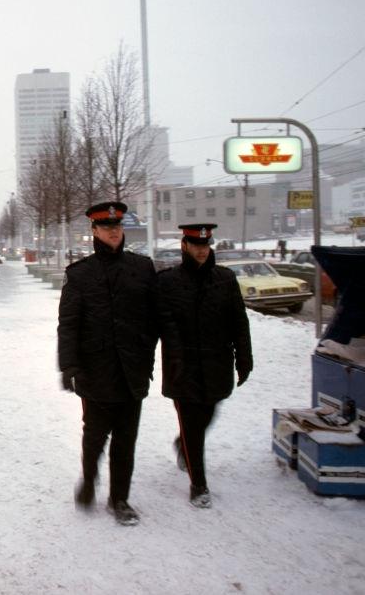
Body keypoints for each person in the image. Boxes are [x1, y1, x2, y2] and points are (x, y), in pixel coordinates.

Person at [57, 201, 157, 526]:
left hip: (132, 373)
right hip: (95, 372)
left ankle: (119, 499)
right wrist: (69, 367)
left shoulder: (142, 268)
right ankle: (89, 480)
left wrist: (147, 357)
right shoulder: (79, 274)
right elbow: (68, 324)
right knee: (95, 436)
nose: (113, 232)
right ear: (95, 231)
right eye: (106, 227)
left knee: (126, 441)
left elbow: (153, 320)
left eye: (117, 226)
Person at [157, 223, 253, 509]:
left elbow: (239, 322)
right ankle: (198, 484)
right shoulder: (168, 281)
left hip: (216, 364)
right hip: (182, 366)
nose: (201, 250)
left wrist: (244, 358)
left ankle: (183, 445)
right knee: (192, 424)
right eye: (196, 245)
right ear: (184, 246)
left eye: (205, 245)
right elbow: (161, 324)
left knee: (208, 413)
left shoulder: (225, 278)